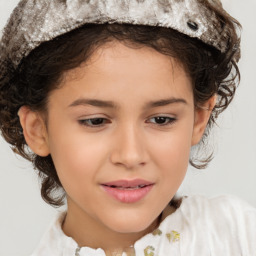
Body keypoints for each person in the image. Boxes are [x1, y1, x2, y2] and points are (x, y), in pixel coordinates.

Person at [0, 0, 255, 255]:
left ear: (198, 119)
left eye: (161, 119)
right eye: (95, 121)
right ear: (37, 129)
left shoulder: (239, 235)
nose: (131, 156)